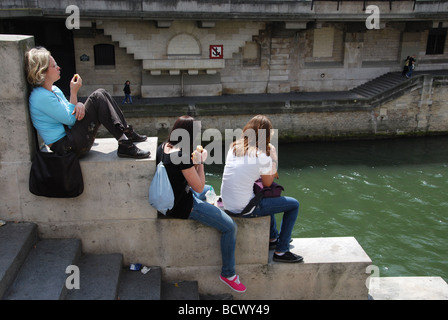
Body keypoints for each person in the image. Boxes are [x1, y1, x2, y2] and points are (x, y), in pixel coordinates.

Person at [156, 115, 246, 293]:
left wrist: (194, 162)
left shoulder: (163, 147)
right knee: (230, 227)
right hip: (182, 206)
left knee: (210, 189)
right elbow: (197, 187)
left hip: (169, 196)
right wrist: (201, 162)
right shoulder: (181, 156)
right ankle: (228, 274)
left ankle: (211, 210)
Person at [25, 47, 149, 159]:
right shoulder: (40, 97)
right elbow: (71, 120)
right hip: (66, 146)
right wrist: (74, 93)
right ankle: (125, 145)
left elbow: (70, 113)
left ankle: (127, 132)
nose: (58, 67)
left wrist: (78, 104)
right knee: (97, 97)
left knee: (101, 93)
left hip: (71, 138)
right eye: (54, 66)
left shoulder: (54, 90)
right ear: (42, 71)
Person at [220, 115, 303, 263]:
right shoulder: (262, 156)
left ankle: (272, 238)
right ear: (267, 134)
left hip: (227, 204)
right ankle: (282, 251)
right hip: (244, 209)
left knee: (262, 196)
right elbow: (268, 183)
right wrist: (274, 159)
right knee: (293, 205)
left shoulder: (233, 148)